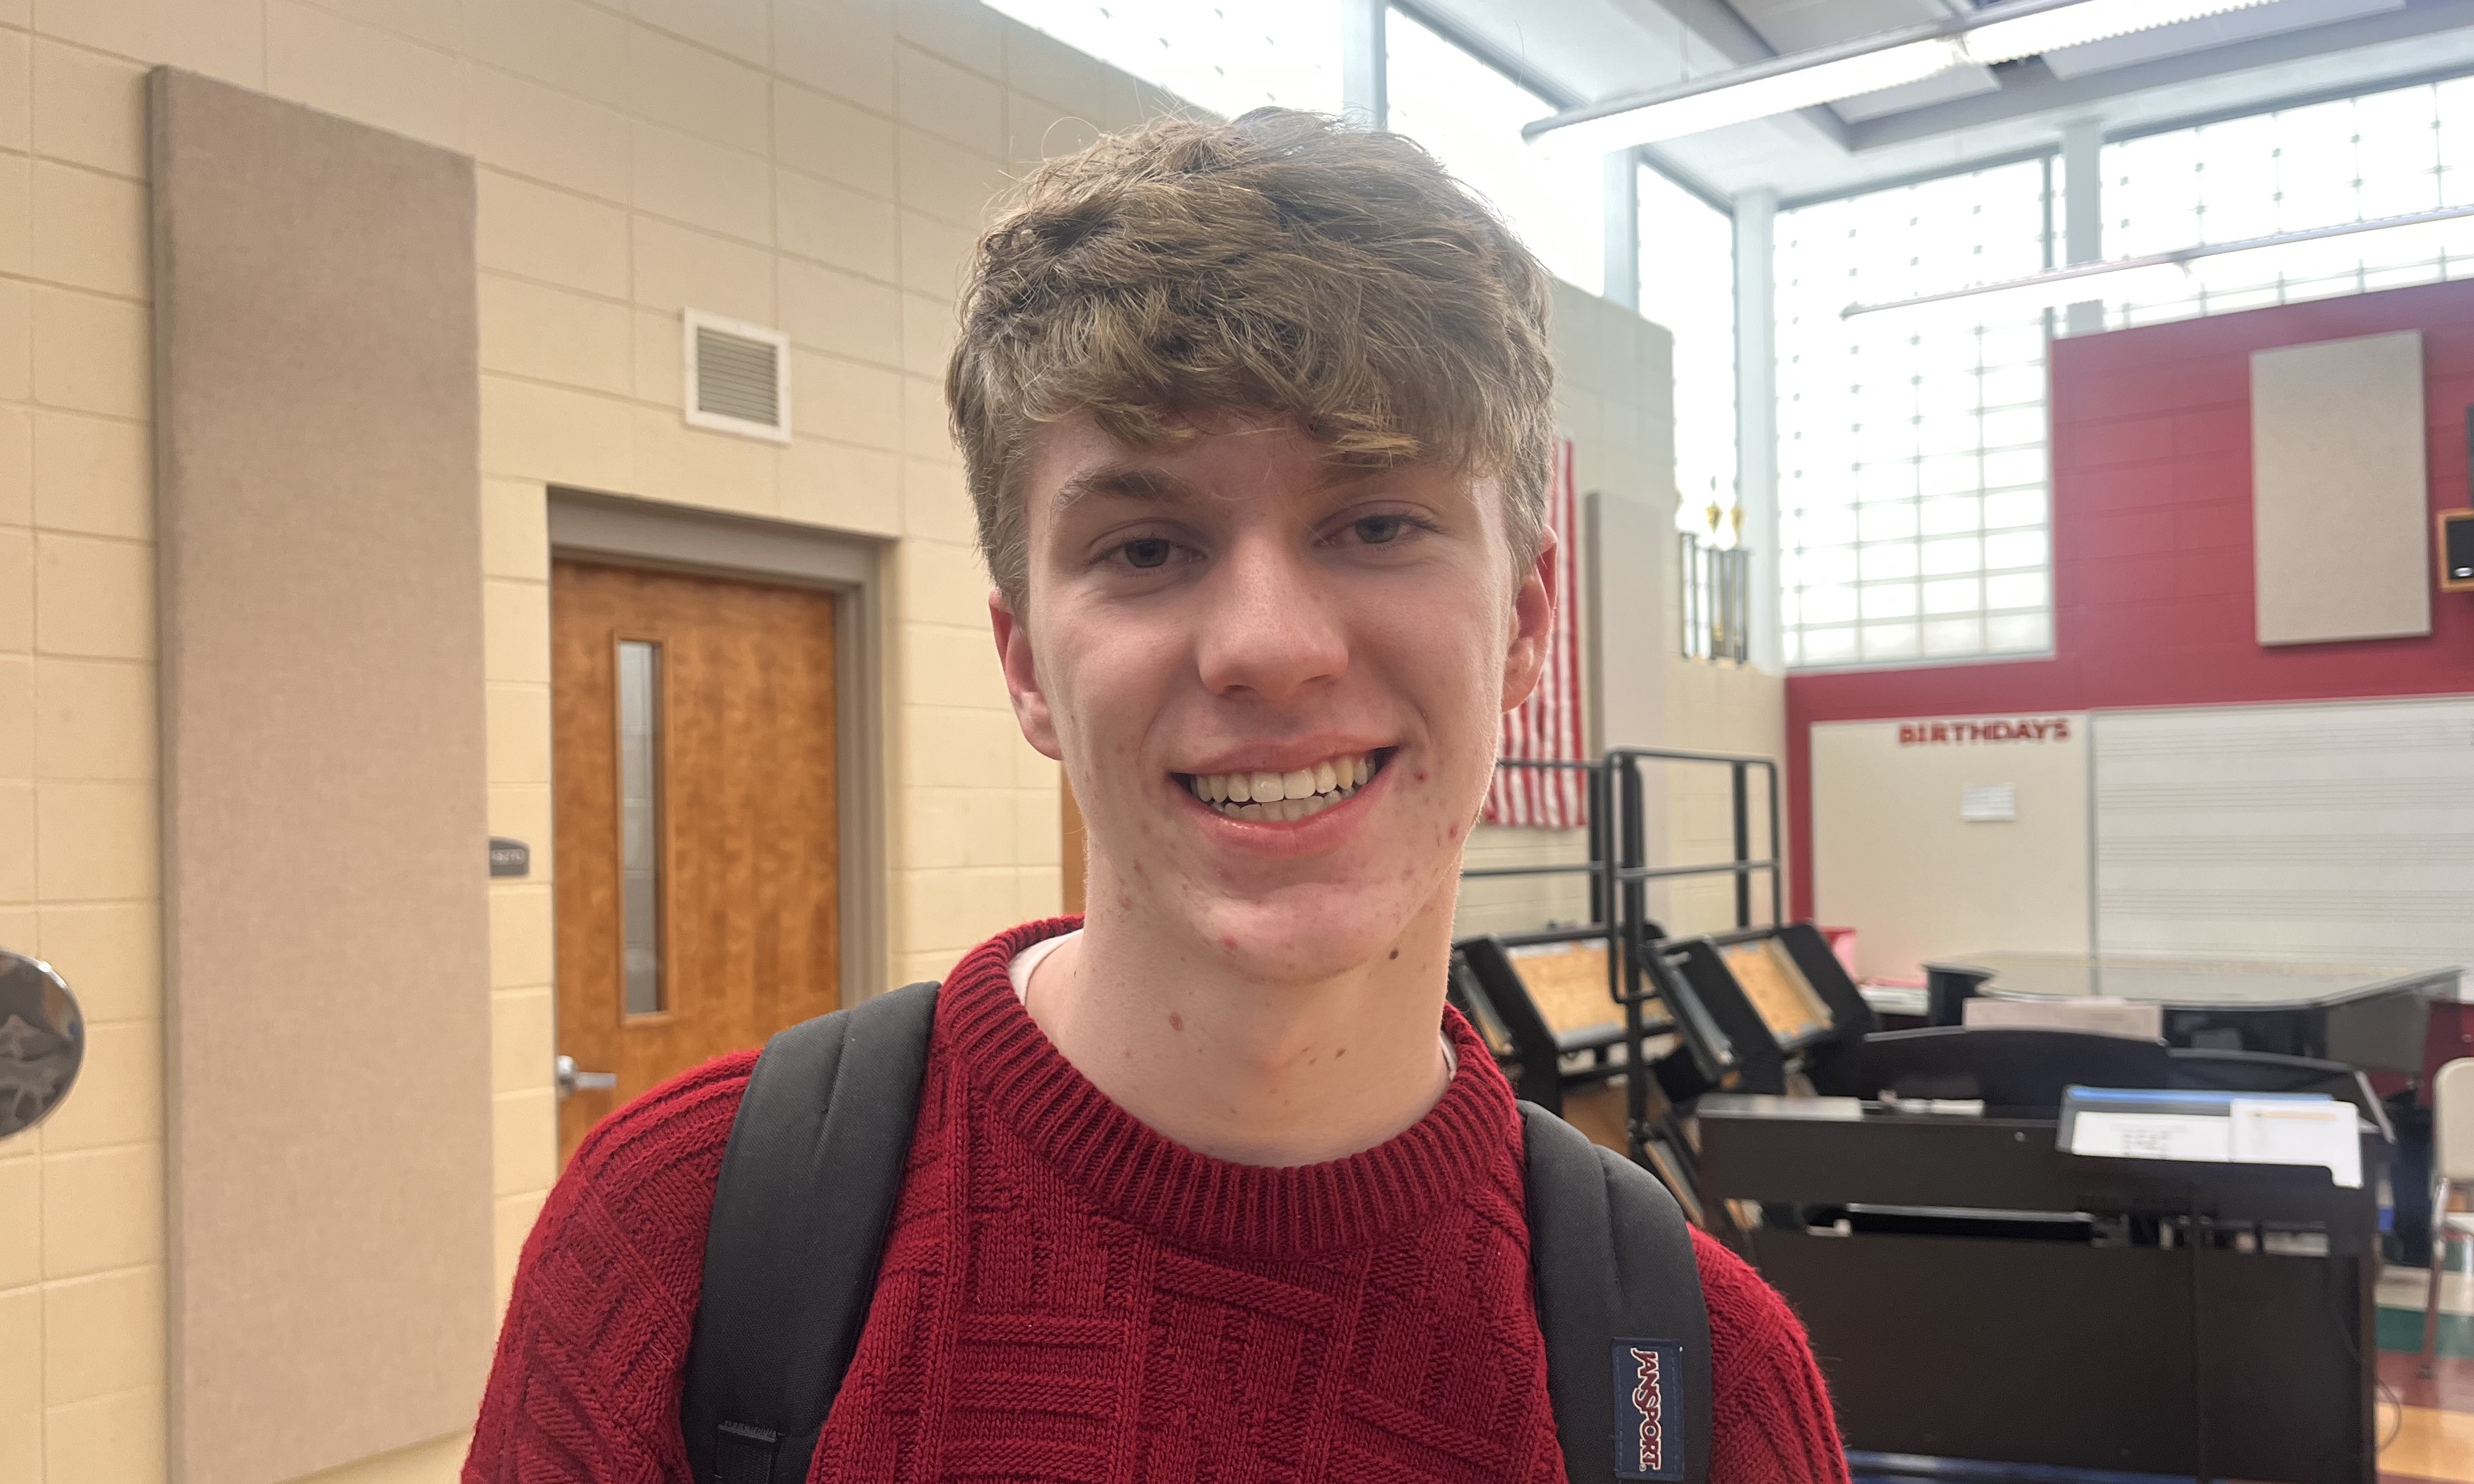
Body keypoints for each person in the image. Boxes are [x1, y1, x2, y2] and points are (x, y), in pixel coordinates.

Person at [465, 108, 1848, 1483]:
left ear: (1527, 623)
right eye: (1145, 547)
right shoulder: (675, 1244)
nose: (1268, 645)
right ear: (1025, 663)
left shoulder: (1700, 1388)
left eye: (1375, 522)